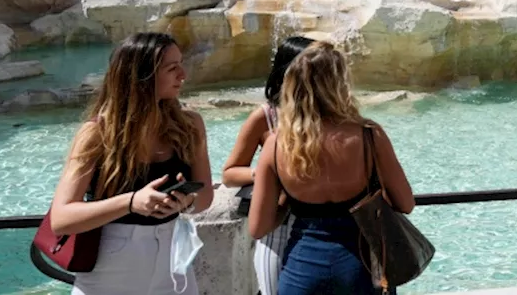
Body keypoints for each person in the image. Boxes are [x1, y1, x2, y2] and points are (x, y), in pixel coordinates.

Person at [48, 32, 214, 295]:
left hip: (174, 265)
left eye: (180, 64)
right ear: (141, 77)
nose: (183, 74)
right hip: (111, 268)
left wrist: (187, 202)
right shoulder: (97, 134)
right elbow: (61, 218)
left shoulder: (190, 125)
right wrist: (131, 202)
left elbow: (204, 196)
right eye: (172, 68)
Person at [248, 42, 416, 295]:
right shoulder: (369, 136)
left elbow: (258, 227)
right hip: (361, 269)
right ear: (339, 85)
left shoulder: (276, 145)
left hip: (301, 271)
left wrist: (286, 201)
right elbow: (406, 203)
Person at [221, 35, 315, 295]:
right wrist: (267, 172)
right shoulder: (265, 116)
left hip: (321, 231)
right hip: (276, 231)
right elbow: (229, 174)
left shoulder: (331, 118)